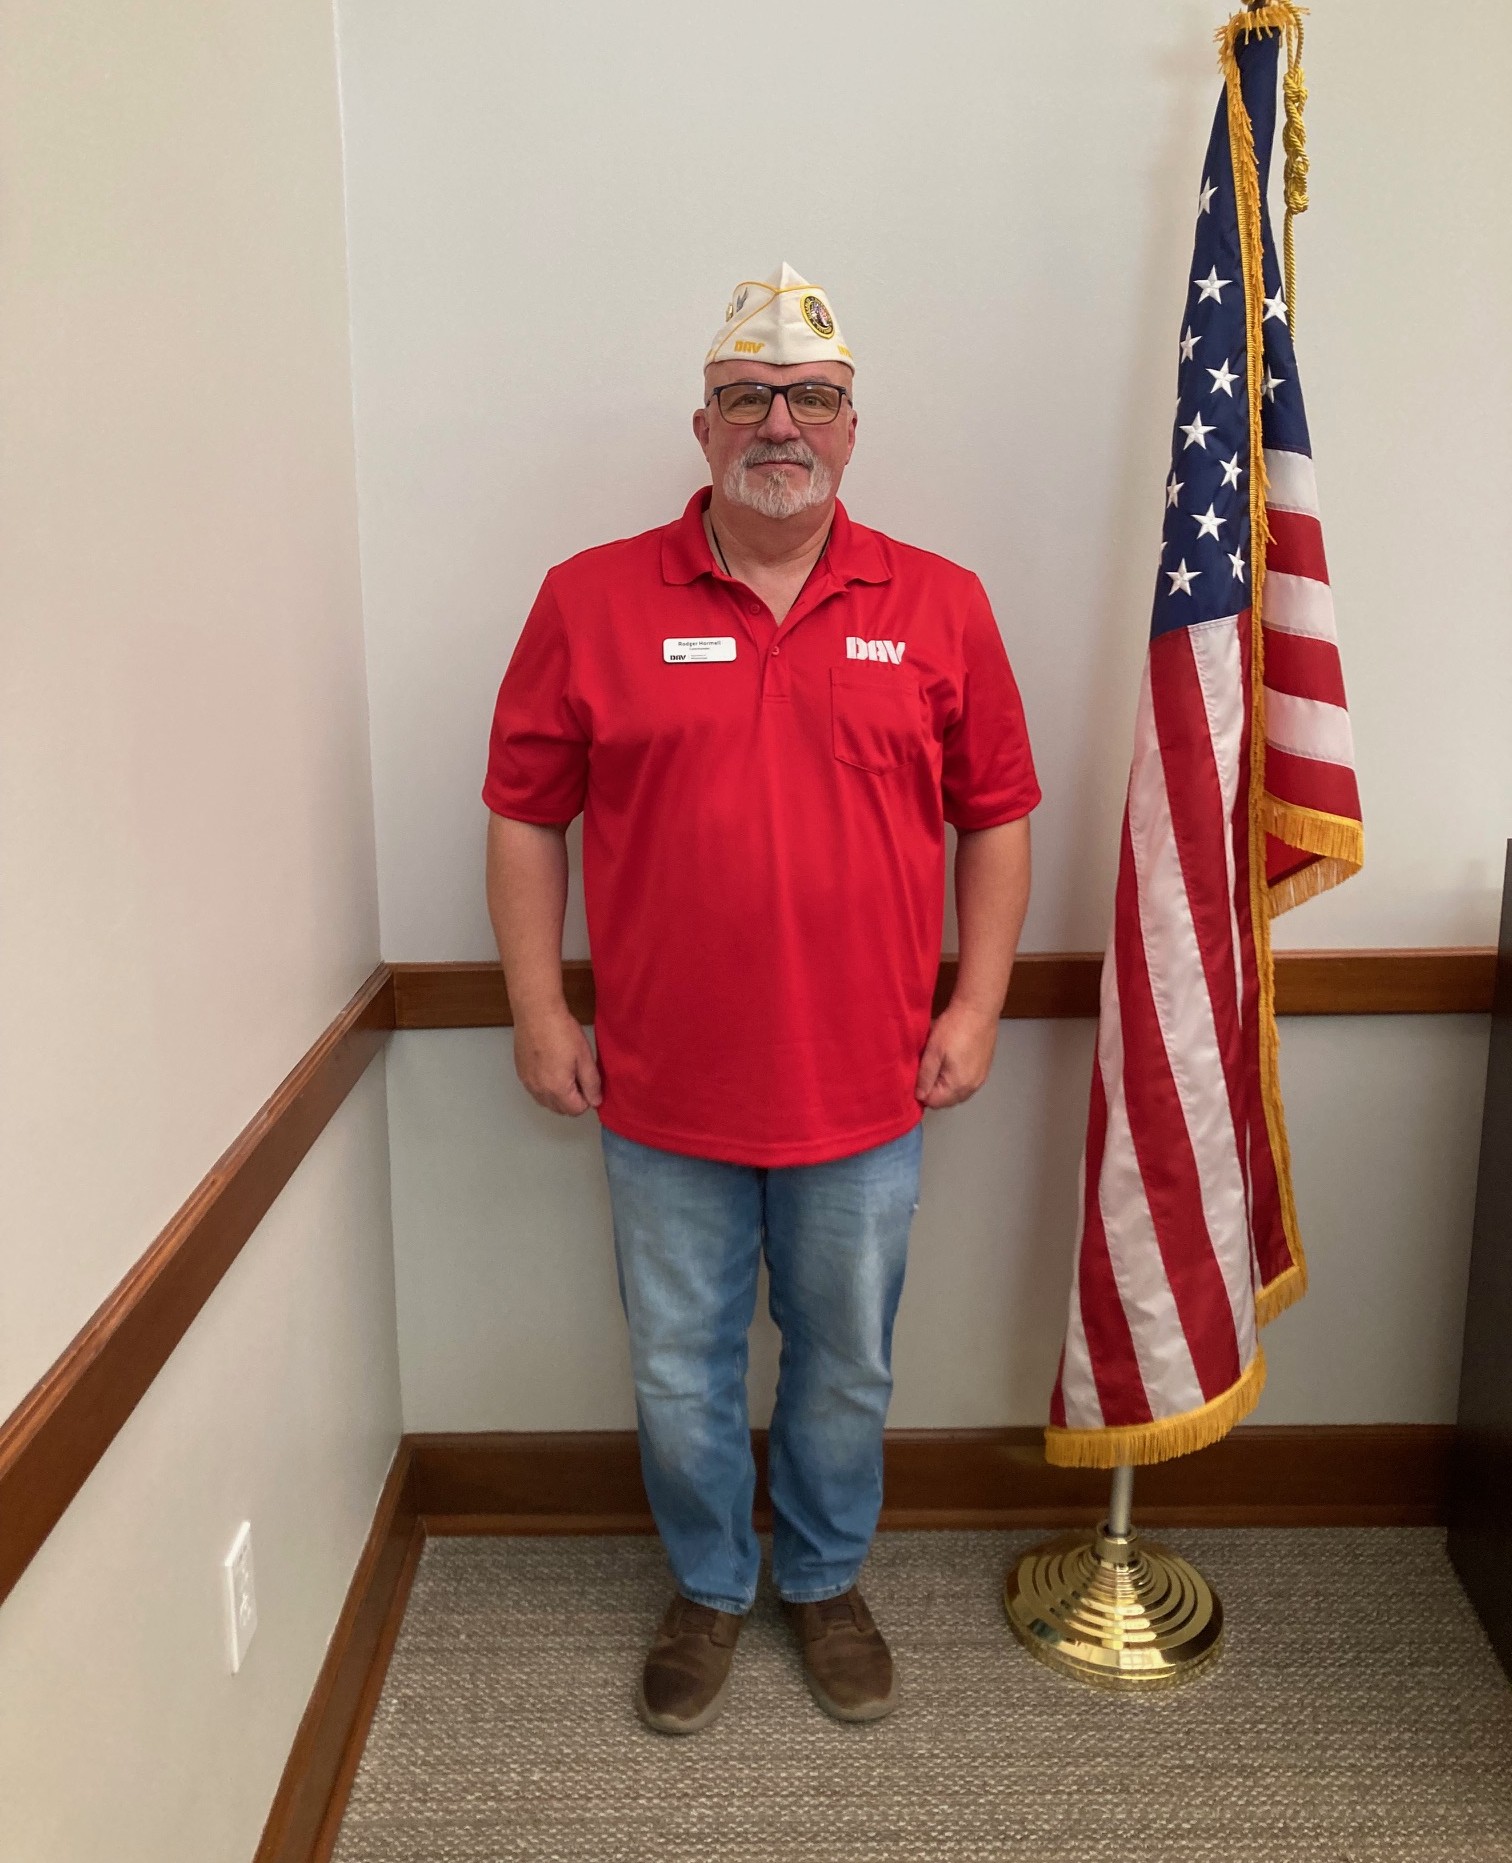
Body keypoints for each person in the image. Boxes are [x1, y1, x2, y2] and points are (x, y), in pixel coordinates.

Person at [483, 262, 1039, 1734]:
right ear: (702, 425)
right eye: (746, 396)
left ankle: (827, 1578)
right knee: (680, 1369)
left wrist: (978, 1004)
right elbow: (525, 812)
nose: (778, 422)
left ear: (852, 428)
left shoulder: (943, 605)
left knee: (845, 1365)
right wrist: (539, 1008)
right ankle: (713, 1584)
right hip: (660, 1089)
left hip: (868, 1086)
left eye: (810, 398)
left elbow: (996, 814)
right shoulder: (589, 598)